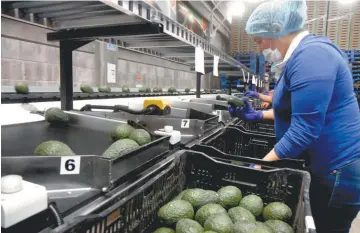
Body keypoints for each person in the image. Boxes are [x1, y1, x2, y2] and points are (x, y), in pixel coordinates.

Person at [228, 0, 360, 232]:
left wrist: (259, 166)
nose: (258, 48)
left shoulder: (313, 56)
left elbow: (304, 130)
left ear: (277, 29)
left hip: (338, 170)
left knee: (327, 226)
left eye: (259, 40)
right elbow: (295, 112)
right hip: (325, 165)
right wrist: (258, 116)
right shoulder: (300, 57)